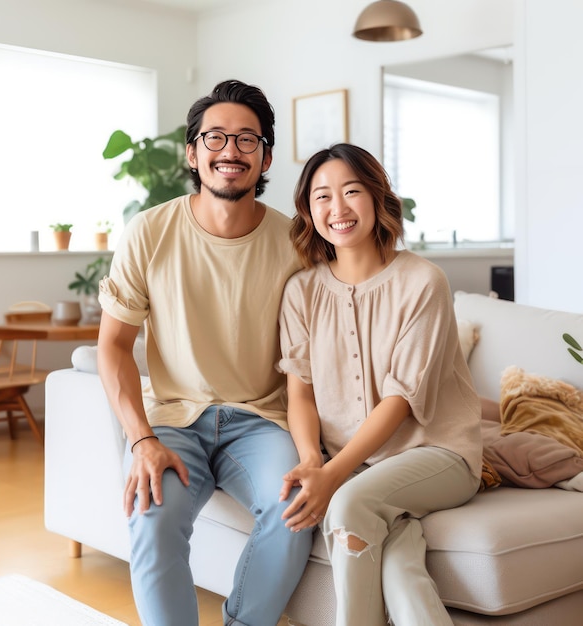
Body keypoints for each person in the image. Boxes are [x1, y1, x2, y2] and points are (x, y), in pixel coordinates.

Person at [97, 79, 312, 626]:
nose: (231, 151)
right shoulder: (149, 232)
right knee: (151, 516)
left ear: (266, 155)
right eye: (215, 137)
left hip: (261, 421)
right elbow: (114, 347)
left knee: (296, 507)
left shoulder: (297, 246)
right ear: (193, 153)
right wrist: (141, 439)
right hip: (171, 420)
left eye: (247, 139)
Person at [277, 143, 482, 626]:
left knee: (349, 503)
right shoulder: (301, 291)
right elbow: (299, 392)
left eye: (352, 192)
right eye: (322, 196)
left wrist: (334, 476)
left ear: (376, 198)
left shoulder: (423, 281)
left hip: (437, 453)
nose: (338, 208)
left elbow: (401, 401)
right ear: (308, 210)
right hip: (360, 465)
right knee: (400, 565)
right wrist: (312, 461)